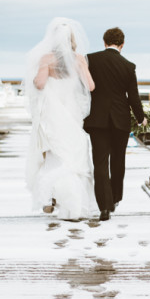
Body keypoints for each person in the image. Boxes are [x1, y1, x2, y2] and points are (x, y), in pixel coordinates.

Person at [25, 18, 99, 220]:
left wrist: (36, 78)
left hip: (53, 113)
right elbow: (91, 86)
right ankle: (71, 204)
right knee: (73, 156)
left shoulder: (46, 59)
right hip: (73, 113)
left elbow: (40, 84)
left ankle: (48, 197)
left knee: (54, 155)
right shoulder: (79, 60)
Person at [84, 26, 145, 221]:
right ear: (122, 45)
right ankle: (116, 198)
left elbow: (84, 89)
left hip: (97, 119)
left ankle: (104, 206)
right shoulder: (128, 66)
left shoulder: (91, 59)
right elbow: (133, 97)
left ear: (104, 42)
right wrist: (140, 116)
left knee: (100, 162)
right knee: (118, 161)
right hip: (120, 119)